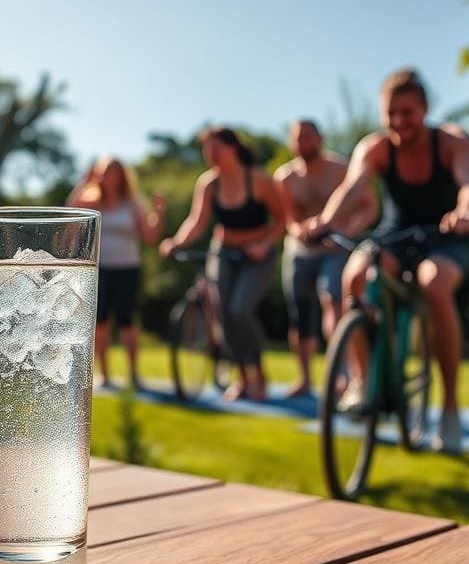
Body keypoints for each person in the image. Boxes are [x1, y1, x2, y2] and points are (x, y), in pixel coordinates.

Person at [303, 68, 469, 452]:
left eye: (408, 112)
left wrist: (466, 211)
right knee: (354, 275)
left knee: (434, 285)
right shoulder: (376, 147)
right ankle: (362, 381)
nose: (399, 122)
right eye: (391, 114)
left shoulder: (451, 141)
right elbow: (350, 188)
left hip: (445, 237)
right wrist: (326, 221)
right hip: (395, 235)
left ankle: (449, 407)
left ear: (425, 110)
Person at [159, 128, 285, 401]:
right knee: (223, 315)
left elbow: (281, 220)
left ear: (234, 148)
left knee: (240, 309)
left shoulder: (259, 180)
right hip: (224, 251)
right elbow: (197, 221)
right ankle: (242, 376)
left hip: (257, 256)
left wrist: (263, 245)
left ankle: (258, 375)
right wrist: (176, 242)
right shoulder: (209, 183)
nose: (211, 154)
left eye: (217, 147)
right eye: (207, 149)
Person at [274, 120, 377, 397]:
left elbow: (369, 207)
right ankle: (305, 378)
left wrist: (344, 231)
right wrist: (301, 231)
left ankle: (343, 375)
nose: (304, 143)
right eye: (298, 138)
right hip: (299, 251)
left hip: (336, 250)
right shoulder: (285, 178)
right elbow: (289, 219)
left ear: (320, 138)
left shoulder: (342, 169)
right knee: (300, 315)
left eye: (308, 137)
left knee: (333, 302)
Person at [67, 157, 166, 389]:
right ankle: (105, 374)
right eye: (106, 172)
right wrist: (84, 181)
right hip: (100, 269)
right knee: (99, 321)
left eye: (115, 172)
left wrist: (160, 212)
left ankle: (133, 374)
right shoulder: (92, 201)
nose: (111, 177)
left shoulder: (132, 204)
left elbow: (150, 236)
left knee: (126, 321)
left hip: (128, 269)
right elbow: (70, 213)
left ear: (122, 176)